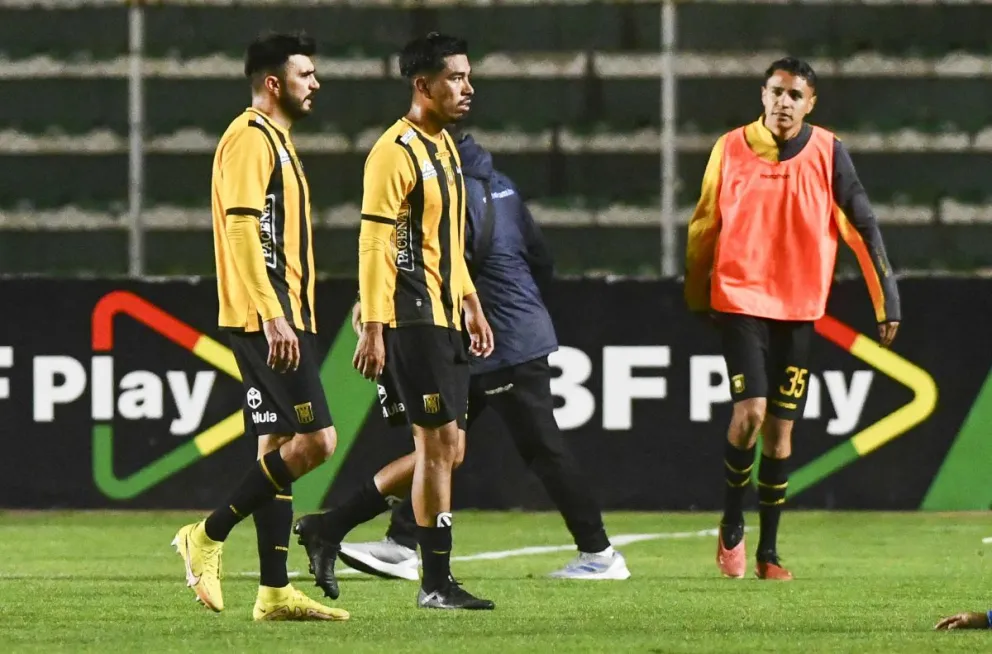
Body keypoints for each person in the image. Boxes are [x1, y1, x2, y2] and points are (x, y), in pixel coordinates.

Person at [330, 131, 630, 584]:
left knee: (535, 448)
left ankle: (599, 551)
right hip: (497, 334)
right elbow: (540, 258)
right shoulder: (502, 185)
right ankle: (400, 542)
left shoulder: (453, 191)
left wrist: (373, 305)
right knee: (443, 446)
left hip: (497, 340)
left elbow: (435, 262)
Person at [293, 32, 496, 611]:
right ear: (423, 84)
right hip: (412, 319)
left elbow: (444, 241)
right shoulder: (393, 151)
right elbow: (375, 243)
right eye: (456, 77)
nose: (468, 87)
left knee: (450, 450)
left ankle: (329, 527)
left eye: (468, 76)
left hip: (445, 314)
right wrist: (376, 325)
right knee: (436, 447)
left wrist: (470, 300)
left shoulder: (446, 147)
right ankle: (435, 582)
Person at [683, 57, 901, 581]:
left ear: (810, 104)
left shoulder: (828, 152)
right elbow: (705, 222)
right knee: (750, 413)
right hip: (739, 299)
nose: (784, 102)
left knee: (781, 434)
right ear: (763, 96)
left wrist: (886, 300)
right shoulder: (729, 147)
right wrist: (697, 293)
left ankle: (769, 552)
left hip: (799, 307)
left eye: (795, 95)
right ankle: (732, 521)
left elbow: (862, 225)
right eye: (776, 92)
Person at [171, 31, 349, 622]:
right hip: (267, 316)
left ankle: (274, 592)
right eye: (305, 74)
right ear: (274, 83)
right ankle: (206, 534)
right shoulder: (250, 137)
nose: (316, 83)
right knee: (318, 442)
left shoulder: (276, 140)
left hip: (281, 312)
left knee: (274, 444)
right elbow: (243, 227)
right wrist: (273, 314)